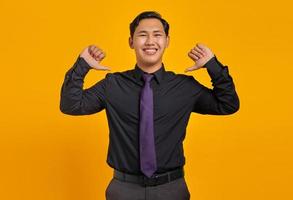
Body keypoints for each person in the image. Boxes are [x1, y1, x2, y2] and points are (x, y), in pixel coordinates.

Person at [60, 11, 239, 200]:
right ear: (131, 42)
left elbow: (228, 104)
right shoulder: (113, 85)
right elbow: (71, 105)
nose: (150, 41)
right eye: (142, 35)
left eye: (157, 35)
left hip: (171, 190)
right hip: (124, 190)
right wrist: (82, 65)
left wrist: (213, 66)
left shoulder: (185, 87)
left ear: (167, 41)